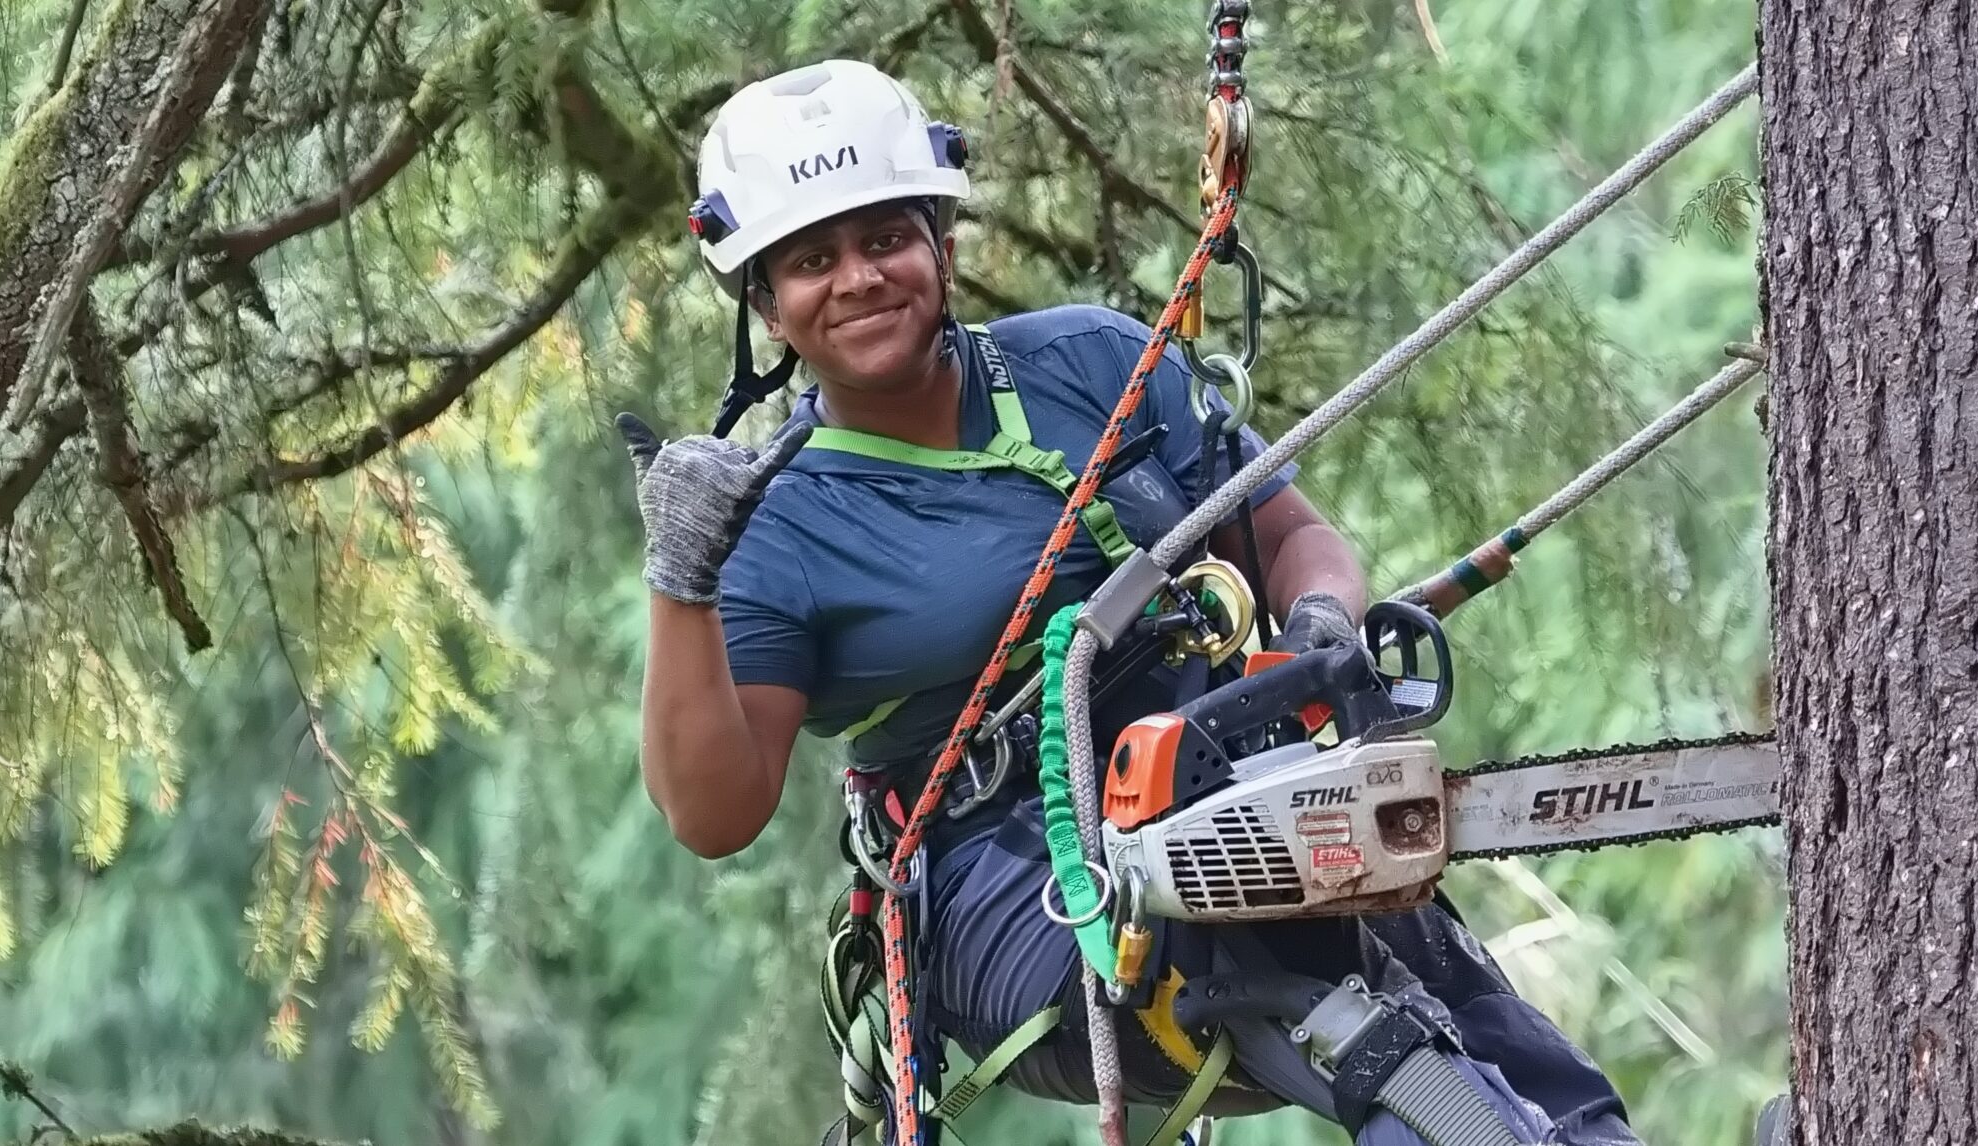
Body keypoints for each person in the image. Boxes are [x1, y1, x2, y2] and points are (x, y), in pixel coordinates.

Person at [616, 58, 1643, 1146]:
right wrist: (683, 582)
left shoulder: (1094, 364)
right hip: (1008, 892)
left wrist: (1323, 633)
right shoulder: (779, 522)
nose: (861, 278)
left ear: (942, 245)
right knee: (1356, 1030)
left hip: (1225, 793)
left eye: (885, 239)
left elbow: (1295, 540)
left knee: (1483, 1015)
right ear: (766, 304)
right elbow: (711, 813)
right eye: (812, 260)